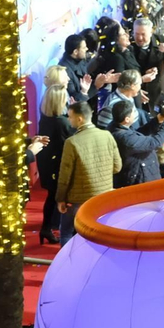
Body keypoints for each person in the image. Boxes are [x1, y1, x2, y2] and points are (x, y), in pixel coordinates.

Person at [54, 100, 121, 245]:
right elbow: (117, 167)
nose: (68, 119)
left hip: (78, 199)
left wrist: (60, 199)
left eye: (70, 116)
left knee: (66, 232)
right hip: (103, 196)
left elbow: (65, 176)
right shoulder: (107, 135)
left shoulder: (72, 142)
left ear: (79, 119)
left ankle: (68, 265)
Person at [34, 74, 74, 245]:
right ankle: (51, 227)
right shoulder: (62, 123)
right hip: (57, 164)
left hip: (46, 162)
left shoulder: (47, 119)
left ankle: (46, 227)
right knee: (57, 197)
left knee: (51, 196)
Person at [108, 99, 164, 186]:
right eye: (133, 112)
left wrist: (157, 120)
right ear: (127, 119)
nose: (136, 114)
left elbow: (138, 134)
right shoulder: (125, 138)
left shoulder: (115, 126)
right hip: (141, 179)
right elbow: (155, 142)